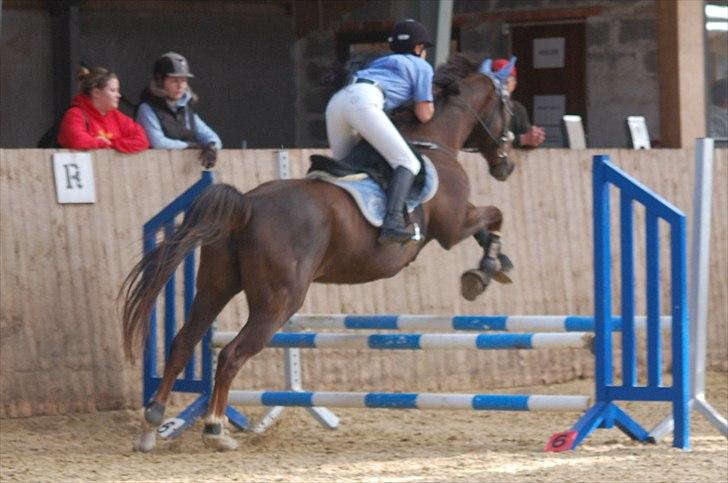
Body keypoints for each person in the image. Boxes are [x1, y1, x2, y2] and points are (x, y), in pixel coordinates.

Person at [325, 19, 434, 244]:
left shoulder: (380, 61)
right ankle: (392, 222)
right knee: (408, 163)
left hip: (337, 103)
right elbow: (424, 113)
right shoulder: (421, 66)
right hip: (365, 101)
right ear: (418, 48)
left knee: (344, 170)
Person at [136, 52, 222, 168]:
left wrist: (211, 147)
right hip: (156, 169)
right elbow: (158, 142)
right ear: (160, 81)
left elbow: (212, 137)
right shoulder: (146, 109)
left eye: (183, 80)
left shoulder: (186, 109)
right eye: (174, 81)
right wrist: (189, 146)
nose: (180, 86)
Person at [57, 67, 149, 153]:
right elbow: (78, 141)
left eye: (118, 90)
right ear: (96, 93)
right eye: (113, 90)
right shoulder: (75, 114)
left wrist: (112, 143)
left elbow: (142, 140)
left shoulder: (117, 116)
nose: (119, 95)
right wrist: (102, 144)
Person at [490, 58, 546, 149]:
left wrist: (534, 138)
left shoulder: (518, 109)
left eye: (506, 82)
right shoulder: (481, 108)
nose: (502, 87)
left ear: (514, 84)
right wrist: (521, 139)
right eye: (498, 82)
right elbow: (487, 143)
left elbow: (527, 141)